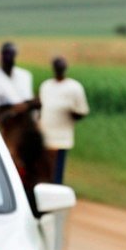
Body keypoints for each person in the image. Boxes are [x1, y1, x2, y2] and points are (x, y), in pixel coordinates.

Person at [38, 56, 89, 184]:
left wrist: (70, 111)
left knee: (57, 173)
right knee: (44, 170)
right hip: (45, 134)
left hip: (62, 137)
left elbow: (82, 111)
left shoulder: (74, 87)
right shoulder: (46, 86)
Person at [0, 41, 36, 120]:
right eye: (6, 53)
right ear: (1, 55)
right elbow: (3, 92)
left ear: (15, 55)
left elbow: (27, 95)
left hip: (22, 115)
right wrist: (21, 105)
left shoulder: (25, 75)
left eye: (11, 53)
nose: (9, 57)